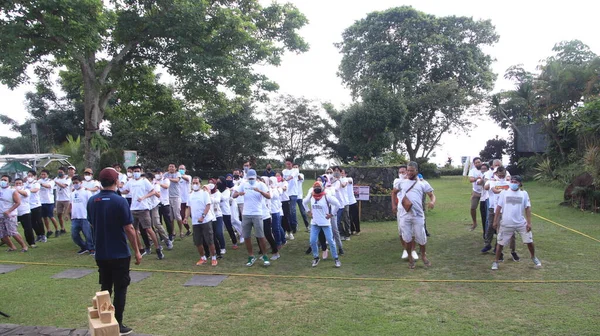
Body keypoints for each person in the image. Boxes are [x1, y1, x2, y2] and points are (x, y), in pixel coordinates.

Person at [87, 167, 142, 336]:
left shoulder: (92, 200)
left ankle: (105, 321)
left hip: (101, 252)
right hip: (119, 252)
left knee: (105, 286)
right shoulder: (120, 201)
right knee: (120, 288)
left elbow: (91, 223)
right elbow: (129, 228)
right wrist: (137, 251)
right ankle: (117, 323)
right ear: (116, 181)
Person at [491, 175, 542, 270]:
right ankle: (496, 261)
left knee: (529, 241)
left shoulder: (524, 194)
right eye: (512, 181)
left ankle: (533, 257)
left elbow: (528, 208)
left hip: (520, 223)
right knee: (500, 243)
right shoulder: (504, 193)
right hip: (506, 222)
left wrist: (529, 223)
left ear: (520, 183)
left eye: (516, 182)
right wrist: (495, 221)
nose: (513, 184)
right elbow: (498, 207)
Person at [393, 162, 436, 269]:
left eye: (411, 170)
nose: (409, 172)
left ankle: (424, 256)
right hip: (404, 215)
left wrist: (432, 202)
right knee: (407, 238)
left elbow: (431, 195)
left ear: (416, 171)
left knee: (421, 237)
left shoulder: (423, 183)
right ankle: (410, 259)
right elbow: (393, 192)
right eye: (408, 170)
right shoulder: (402, 182)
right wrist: (394, 205)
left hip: (418, 215)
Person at [121, 166, 164, 260]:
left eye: (137, 171)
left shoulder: (144, 181)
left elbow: (153, 191)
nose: (135, 173)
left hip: (143, 208)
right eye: (134, 171)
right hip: (133, 208)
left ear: (140, 172)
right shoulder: (131, 181)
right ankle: (140, 248)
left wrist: (144, 197)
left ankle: (158, 248)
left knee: (148, 229)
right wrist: (118, 189)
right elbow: (126, 190)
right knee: (133, 230)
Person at [232, 169, 272, 267]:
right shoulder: (243, 184)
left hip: (257, 213)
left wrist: (260, 191)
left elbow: (269, 196)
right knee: (246, 236)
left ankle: (265, 255)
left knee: (260, 236)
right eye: (249, 178)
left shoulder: (261, 184)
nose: (251, 180)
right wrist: (238, 194)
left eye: (252, 178)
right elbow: (233, 195)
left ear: (255, 177)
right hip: (246, 213)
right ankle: (251, 256)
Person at [304, 181, 342, 268]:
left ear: (322, 188)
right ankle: (316, 257)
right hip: (315, 223)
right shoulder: (311, 195)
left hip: (325, 223)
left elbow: (337, 204)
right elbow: (304, 202)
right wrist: (308, 211)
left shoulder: (326, 196)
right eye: (315, 187)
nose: (317, 189)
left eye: (318, 187)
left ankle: (336, 259)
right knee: (312, 241)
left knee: (331, 241)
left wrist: (331, 214)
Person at [481, 166, 516, 259]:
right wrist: (503, 189)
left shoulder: (508, 183)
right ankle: (487, 244)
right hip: (492, 207)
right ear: (496, 174)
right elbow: (492, 190)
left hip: (503, 209)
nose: (501, 177)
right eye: (499, 175)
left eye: (503, 175)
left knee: (500, 228)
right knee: (490, 226)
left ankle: (497, 248)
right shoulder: (492, 181)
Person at [187, 177, 218, 266]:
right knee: (197, 241)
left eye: (196, 183)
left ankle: (213, 257)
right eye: (193, 183)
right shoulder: (190, 195)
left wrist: (203, 216)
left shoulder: (204, 193)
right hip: (195, 222)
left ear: (200, 184)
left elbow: (208, 206)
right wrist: (185, 217)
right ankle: (203, 257)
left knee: (209, 240)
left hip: (206, 220)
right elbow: (189, 207)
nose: (195, 185)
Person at [392, 165, 415, 260]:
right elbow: (394, 191)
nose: (401, 174)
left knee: (413, 230)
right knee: (401, 230)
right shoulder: (397, 181)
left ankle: (413, 250)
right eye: (400, 172)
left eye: (403, 172)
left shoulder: (413, 180)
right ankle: (405, 249)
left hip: (411, 208)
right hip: (401, 209)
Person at [0, 175, 28, 252]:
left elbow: (18, 202)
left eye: (5, 180)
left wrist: (9, 211)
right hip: (0, 214)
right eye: (2, 179)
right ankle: (12, 247)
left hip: (10, 215)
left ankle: (24, 246)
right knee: (2, 233)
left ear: (9, 182)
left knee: (12, 232)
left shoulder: (12, 191)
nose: (3, 181)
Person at [70, 176, 95, 255]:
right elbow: (71, 204)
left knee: (88, 234)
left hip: (85, 217)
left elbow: (91, 203)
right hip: (75, 217)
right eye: (73, 183)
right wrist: (68, 213)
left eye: (76, 182)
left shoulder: (86, 192)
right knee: (74, 235)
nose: (75, 184)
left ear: (81, 182)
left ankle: (92, 248)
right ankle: (84, 247)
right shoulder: (73, 193)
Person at [164, 164, 187, 238]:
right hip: (167, 197)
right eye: (170, 166)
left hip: (176, 197)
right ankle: (173, 231)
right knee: (170, 216)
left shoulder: (178, 174)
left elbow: (177, 180)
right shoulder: (165, 174)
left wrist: (168, 179)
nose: (171, 168)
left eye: (172, 167)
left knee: (177, 215)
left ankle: (181, 231)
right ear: (168, 168)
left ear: (175, 168)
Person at [218, 176, 239, 249]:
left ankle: (234, 242)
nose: (218, 183)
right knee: (219, 229)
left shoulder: (226, 191)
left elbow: (223, 198)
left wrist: (217, 193)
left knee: (229, 227)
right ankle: (220, 244)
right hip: (218, 212)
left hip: (226, 212)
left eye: (219, 182)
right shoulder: (218, 191)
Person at [154, 168, 175, 242]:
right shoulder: (153, 180)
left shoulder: (165, 179)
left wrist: (159, 183)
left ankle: (171, 235)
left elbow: (166, 186)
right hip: (156, 203)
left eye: (159, 172)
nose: (157, 174)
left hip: (165, 203)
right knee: (158, 221)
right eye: (156, 173)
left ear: (162, 173)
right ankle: (162, 236)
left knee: (167, 220)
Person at [25, 170, 46, 243]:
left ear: (34, 176)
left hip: (36, 205)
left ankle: (43, 235)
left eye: (31, 176)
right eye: (28, 176)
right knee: (32, 222)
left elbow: (36, 190)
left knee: (39, 221)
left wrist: (27, 190)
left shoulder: (36, 183)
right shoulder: (25, 183)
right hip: (28, 205)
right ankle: (38, 235)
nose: (29, 177)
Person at [14, 178, 36, 248]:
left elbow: (25, 194)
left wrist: (17, 190)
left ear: (22, 184)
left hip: (25, 211)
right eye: (16, 183)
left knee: (28, 228)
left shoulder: (26, 190)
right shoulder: (12, 191)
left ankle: (31, 243)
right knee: (11, 228)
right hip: (15, 212)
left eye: (19, 183)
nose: (18, 185)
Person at [39, 169, 59, 238]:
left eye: (44, 174)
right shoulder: (39, 181)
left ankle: (57, 229)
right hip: (41, 201)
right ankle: (48, 230)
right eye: (42, 174)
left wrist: (41, 184)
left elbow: (48, 186)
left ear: (47, 175)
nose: (43, 176)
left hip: (49, 201)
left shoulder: (51, 181)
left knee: (51, 216)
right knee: (44, 217)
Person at [282, 158, 299, 235]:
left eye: (289, 164)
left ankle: (294, 225)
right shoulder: (284, 171)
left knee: (293, 210)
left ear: (292, 164)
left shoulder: (295, 170)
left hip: (293, 193)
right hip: (286, 194)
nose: (288, 165)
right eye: (286, 164)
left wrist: (285, 179)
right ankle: (288, 226)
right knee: (286, 211)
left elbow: (291, 177)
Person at [54, 166, 71, 236]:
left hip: (66, 198)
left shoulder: (68, 178)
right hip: (59, 199)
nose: (60, 173)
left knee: (69, 214)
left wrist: (57, 182)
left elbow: (64, 186)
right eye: (58, 172)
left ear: (64, 172)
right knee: (59, 214)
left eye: (61, 172)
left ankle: (73, 227)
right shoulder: (56, 178)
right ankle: (62, 228)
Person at [468, 157, 484, 232]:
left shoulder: (485, 169)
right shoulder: (472, 171)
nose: (478, 163)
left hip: (485, 192)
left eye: (479, 162)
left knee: (485, 209)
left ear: (481, 162)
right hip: (476, 191)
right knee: (473, 208)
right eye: (476, 162)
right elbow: (471, 180)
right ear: (474, 164)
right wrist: (476, 178)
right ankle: (474, 223)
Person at [343, 170, 360, 236]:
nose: (342, 174)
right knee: (348, 218)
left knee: (355, 217)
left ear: (346, 174)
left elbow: (349, 181)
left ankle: (358, 230)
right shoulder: (339, 182)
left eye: (343, 173)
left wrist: (342, 180)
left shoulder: (349, 179)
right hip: (346, 203)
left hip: (352, 202)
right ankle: (352, 230)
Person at [294, 164, 310, 232]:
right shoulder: (291, 176)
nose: (295, 168)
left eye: (296, 167)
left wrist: (296, 173)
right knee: (293, 212)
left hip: (299, 196)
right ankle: (295, 226)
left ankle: (307, 226)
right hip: (292, 196)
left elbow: (300, 178)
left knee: (303, 212)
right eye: (294, 167)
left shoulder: (301, 174)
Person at [178, 164, 192, 236]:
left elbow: (187, 179)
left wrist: (180, 175)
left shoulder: (188, 177)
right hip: (181, 200)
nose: (181, 170)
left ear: (185, 170)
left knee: (192, 215)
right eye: (180, 168)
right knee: (182, 216)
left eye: (182, 169)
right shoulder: (177, 178)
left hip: (189, 199)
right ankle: (188, 229)